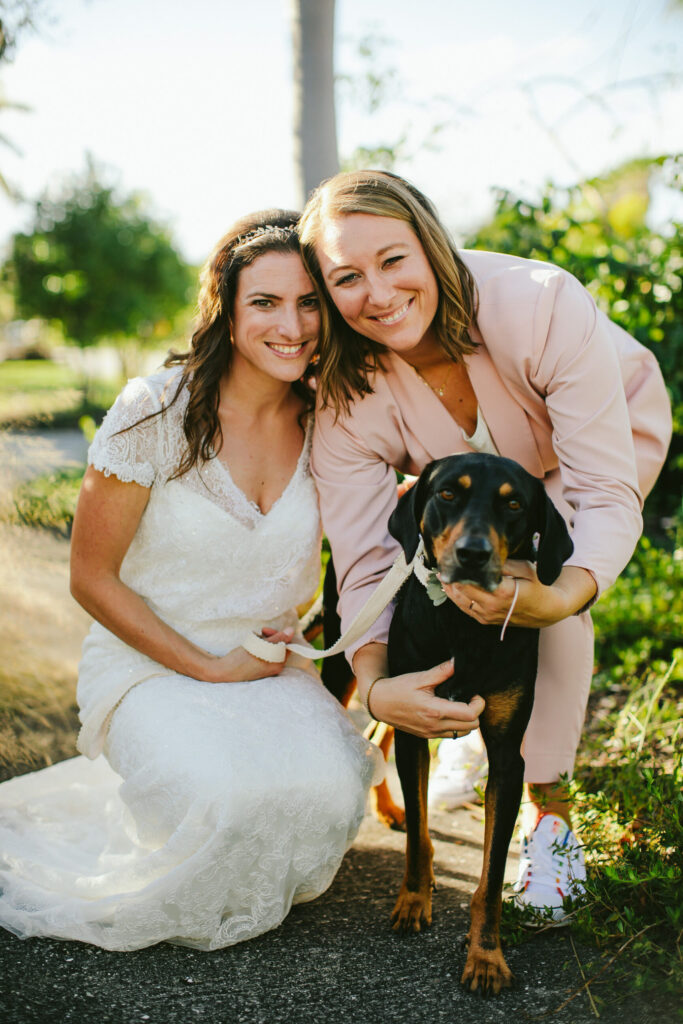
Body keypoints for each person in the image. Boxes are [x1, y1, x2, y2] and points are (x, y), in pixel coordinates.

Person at [0, 211, 382, 951]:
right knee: (228, 799)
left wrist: (296, 631)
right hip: (147, 663)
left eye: (309, 302)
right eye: (265, 303)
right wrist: (206, 667)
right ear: (227, 314)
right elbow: (90, 577)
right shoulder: (155, 409)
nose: (293, 325)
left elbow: (358, 545)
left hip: (266, 662)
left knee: (332, 790)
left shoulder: (332, 419)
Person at [298, 170, 671, 921]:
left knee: (546, 606)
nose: (376, 292)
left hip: (590, 448)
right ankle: (475, 730)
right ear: (325, 292)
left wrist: (561, 593)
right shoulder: (344, 392)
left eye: (393, 259)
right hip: (474, 488)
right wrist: (375, 684)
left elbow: (600, 494)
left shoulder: (538, 302)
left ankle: (550, 811)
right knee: (451, 587)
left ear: (430, 244)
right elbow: (371, 560)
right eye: (345, 277)